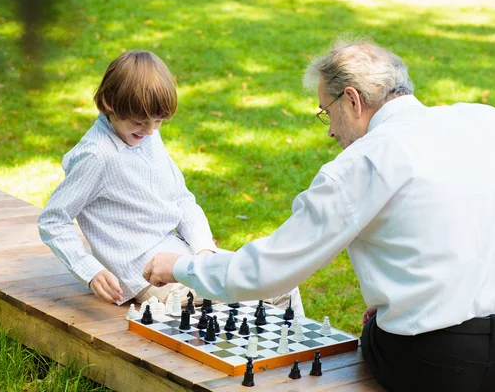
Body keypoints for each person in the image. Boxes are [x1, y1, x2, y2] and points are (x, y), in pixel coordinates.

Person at [144, 39, 495, 391]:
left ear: (352, 100)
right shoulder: (487, 121)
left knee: (378, 329)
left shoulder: (362, 162)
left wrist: (181, 266)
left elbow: (268, 272)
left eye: (325, 111)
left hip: (433, 363)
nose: (330, 131)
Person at [38, 50, 303, 314]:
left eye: (159, 122)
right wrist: (89, 270)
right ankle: (267, 354)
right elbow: (53, 219)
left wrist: (204, 250)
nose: (151, 130)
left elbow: (182, 199)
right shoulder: (97, 155)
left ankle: (298, 353)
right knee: (255, 298)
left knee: (282, 282)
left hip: (180, 257)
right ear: (109, 102)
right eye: (140, 122)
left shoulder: (146, 136)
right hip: (148, 276)